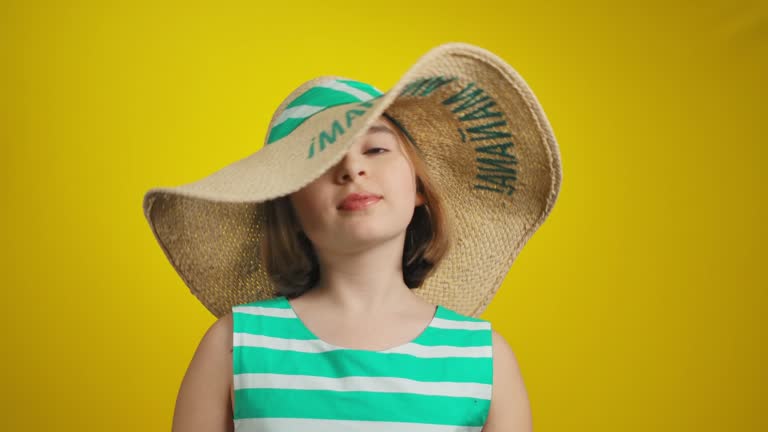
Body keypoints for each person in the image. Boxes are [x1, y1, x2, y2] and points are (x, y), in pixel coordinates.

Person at [143, 43, 562, 432]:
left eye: (376, 149)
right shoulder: (234, 344)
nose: (352, 170)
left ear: (418, 187)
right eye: (321, 161)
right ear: (288, 209)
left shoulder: (484, 358)